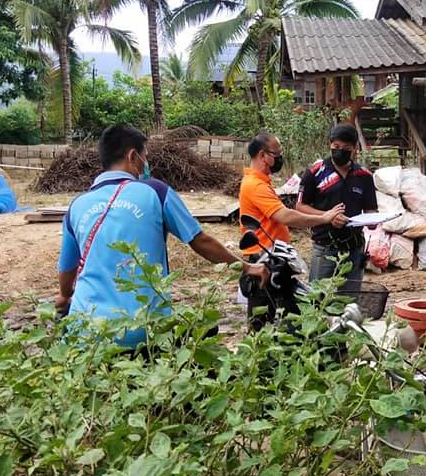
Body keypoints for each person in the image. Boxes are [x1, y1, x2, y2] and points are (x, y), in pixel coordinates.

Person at [55, 125, 267, 349]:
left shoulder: (77, 206)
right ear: (133, 156)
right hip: (144, 330)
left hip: (85, 332)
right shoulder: (156, 192)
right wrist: (247, 267)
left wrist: (65, 296)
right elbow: (200, 241)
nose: (146, 165)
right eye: (145, 157)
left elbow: (66, 273)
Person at [239, 132, 346, 328]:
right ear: (263, 156)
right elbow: (285, 216)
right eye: (277, 154)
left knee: (285, 317)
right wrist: (323, 218)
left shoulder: (261, 182)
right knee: (263, 323)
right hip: (263, 261)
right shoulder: (255, 185)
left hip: (276, 258)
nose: (280, 157)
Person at [296, 123, 377, 282]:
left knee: (349, 301)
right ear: (330, 145)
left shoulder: (364, 176)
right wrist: (327, 216)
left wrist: (373, 221)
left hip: (355, 248)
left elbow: (371, 209)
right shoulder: (315, 172)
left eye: (346, 147)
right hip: (325, 246)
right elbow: (300, 206)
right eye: (336, 146)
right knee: (318, 299)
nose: (340, 150)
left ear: (354, 149)